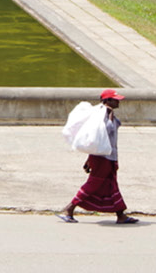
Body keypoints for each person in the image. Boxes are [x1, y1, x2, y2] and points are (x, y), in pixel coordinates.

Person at [59, 89, 138, 224]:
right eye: (115, 99)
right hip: (103, 158)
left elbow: (98, 139)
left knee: (111, 184)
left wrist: (90, 158)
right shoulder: (104, 114)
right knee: (93, 184)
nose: (118, 101)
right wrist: (91, 158)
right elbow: (101, 135)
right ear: (107, 101)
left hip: (107, 156)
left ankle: (121, 215)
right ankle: (69, 209)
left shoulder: (105, 113)